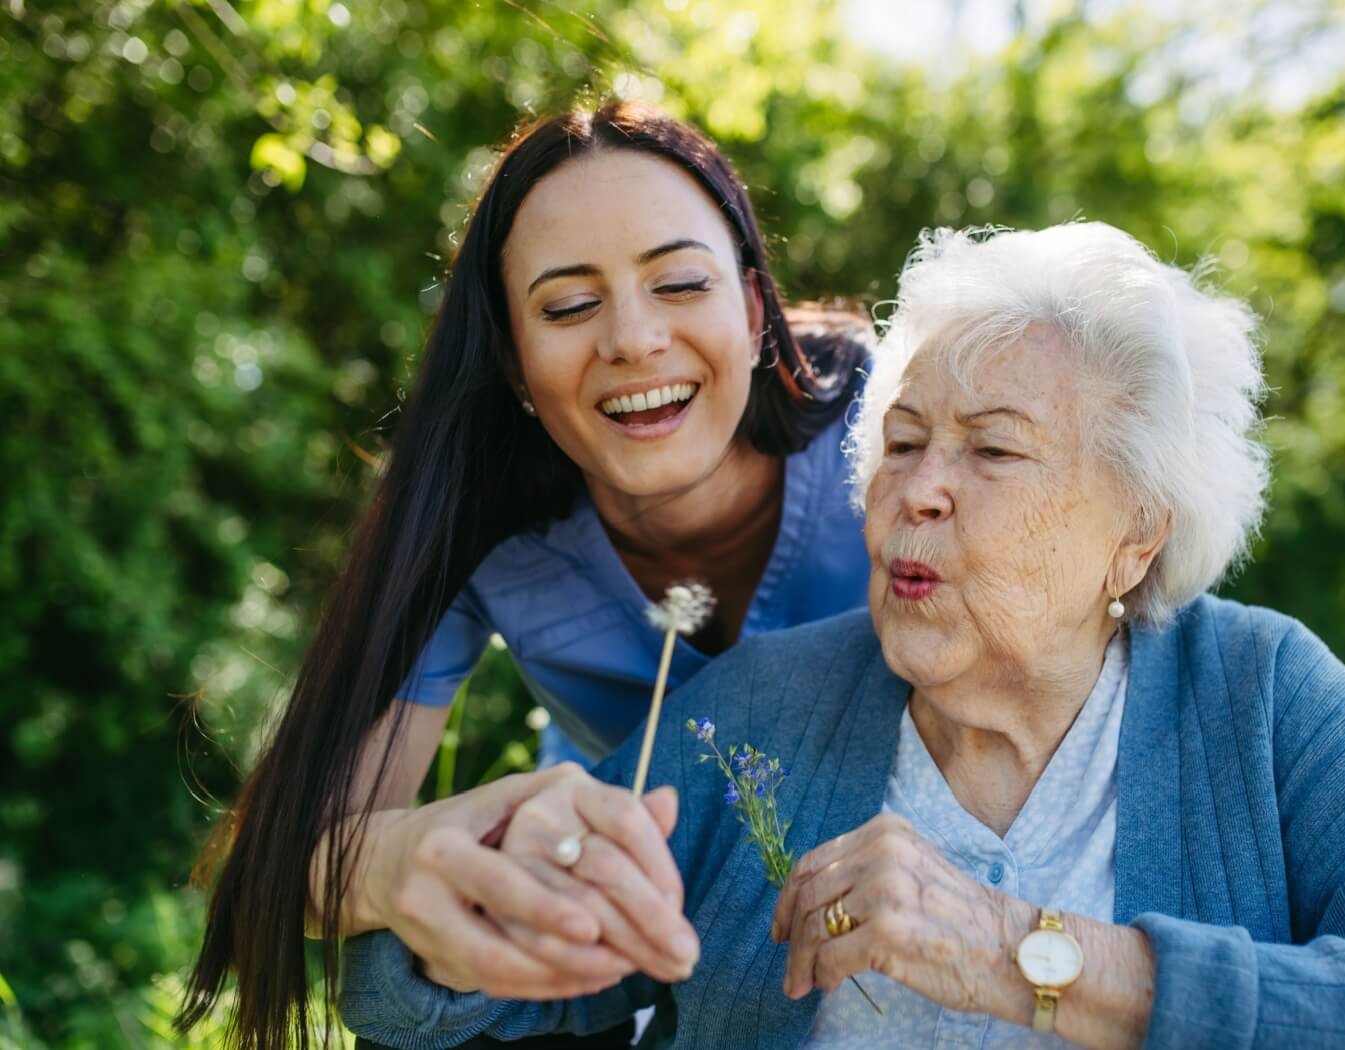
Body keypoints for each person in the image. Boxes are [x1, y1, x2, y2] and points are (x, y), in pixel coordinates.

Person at [338, 222, 1345, 1049]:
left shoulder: (1254, 695)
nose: (917, 489)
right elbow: (412, 1004)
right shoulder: (757, 707)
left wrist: (1034, 959)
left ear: (1137, 535)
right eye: (900, 443)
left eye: (992, 450)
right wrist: (482, 888)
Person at [178, 101, 875, 1050]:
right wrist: (401, 859)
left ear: (753, 311)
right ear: (512, 362)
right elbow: (277, 856)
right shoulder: (475, 521)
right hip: (626, 930)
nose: (632, 339)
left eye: (678, 282)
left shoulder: (901, 422)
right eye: (569, 305)